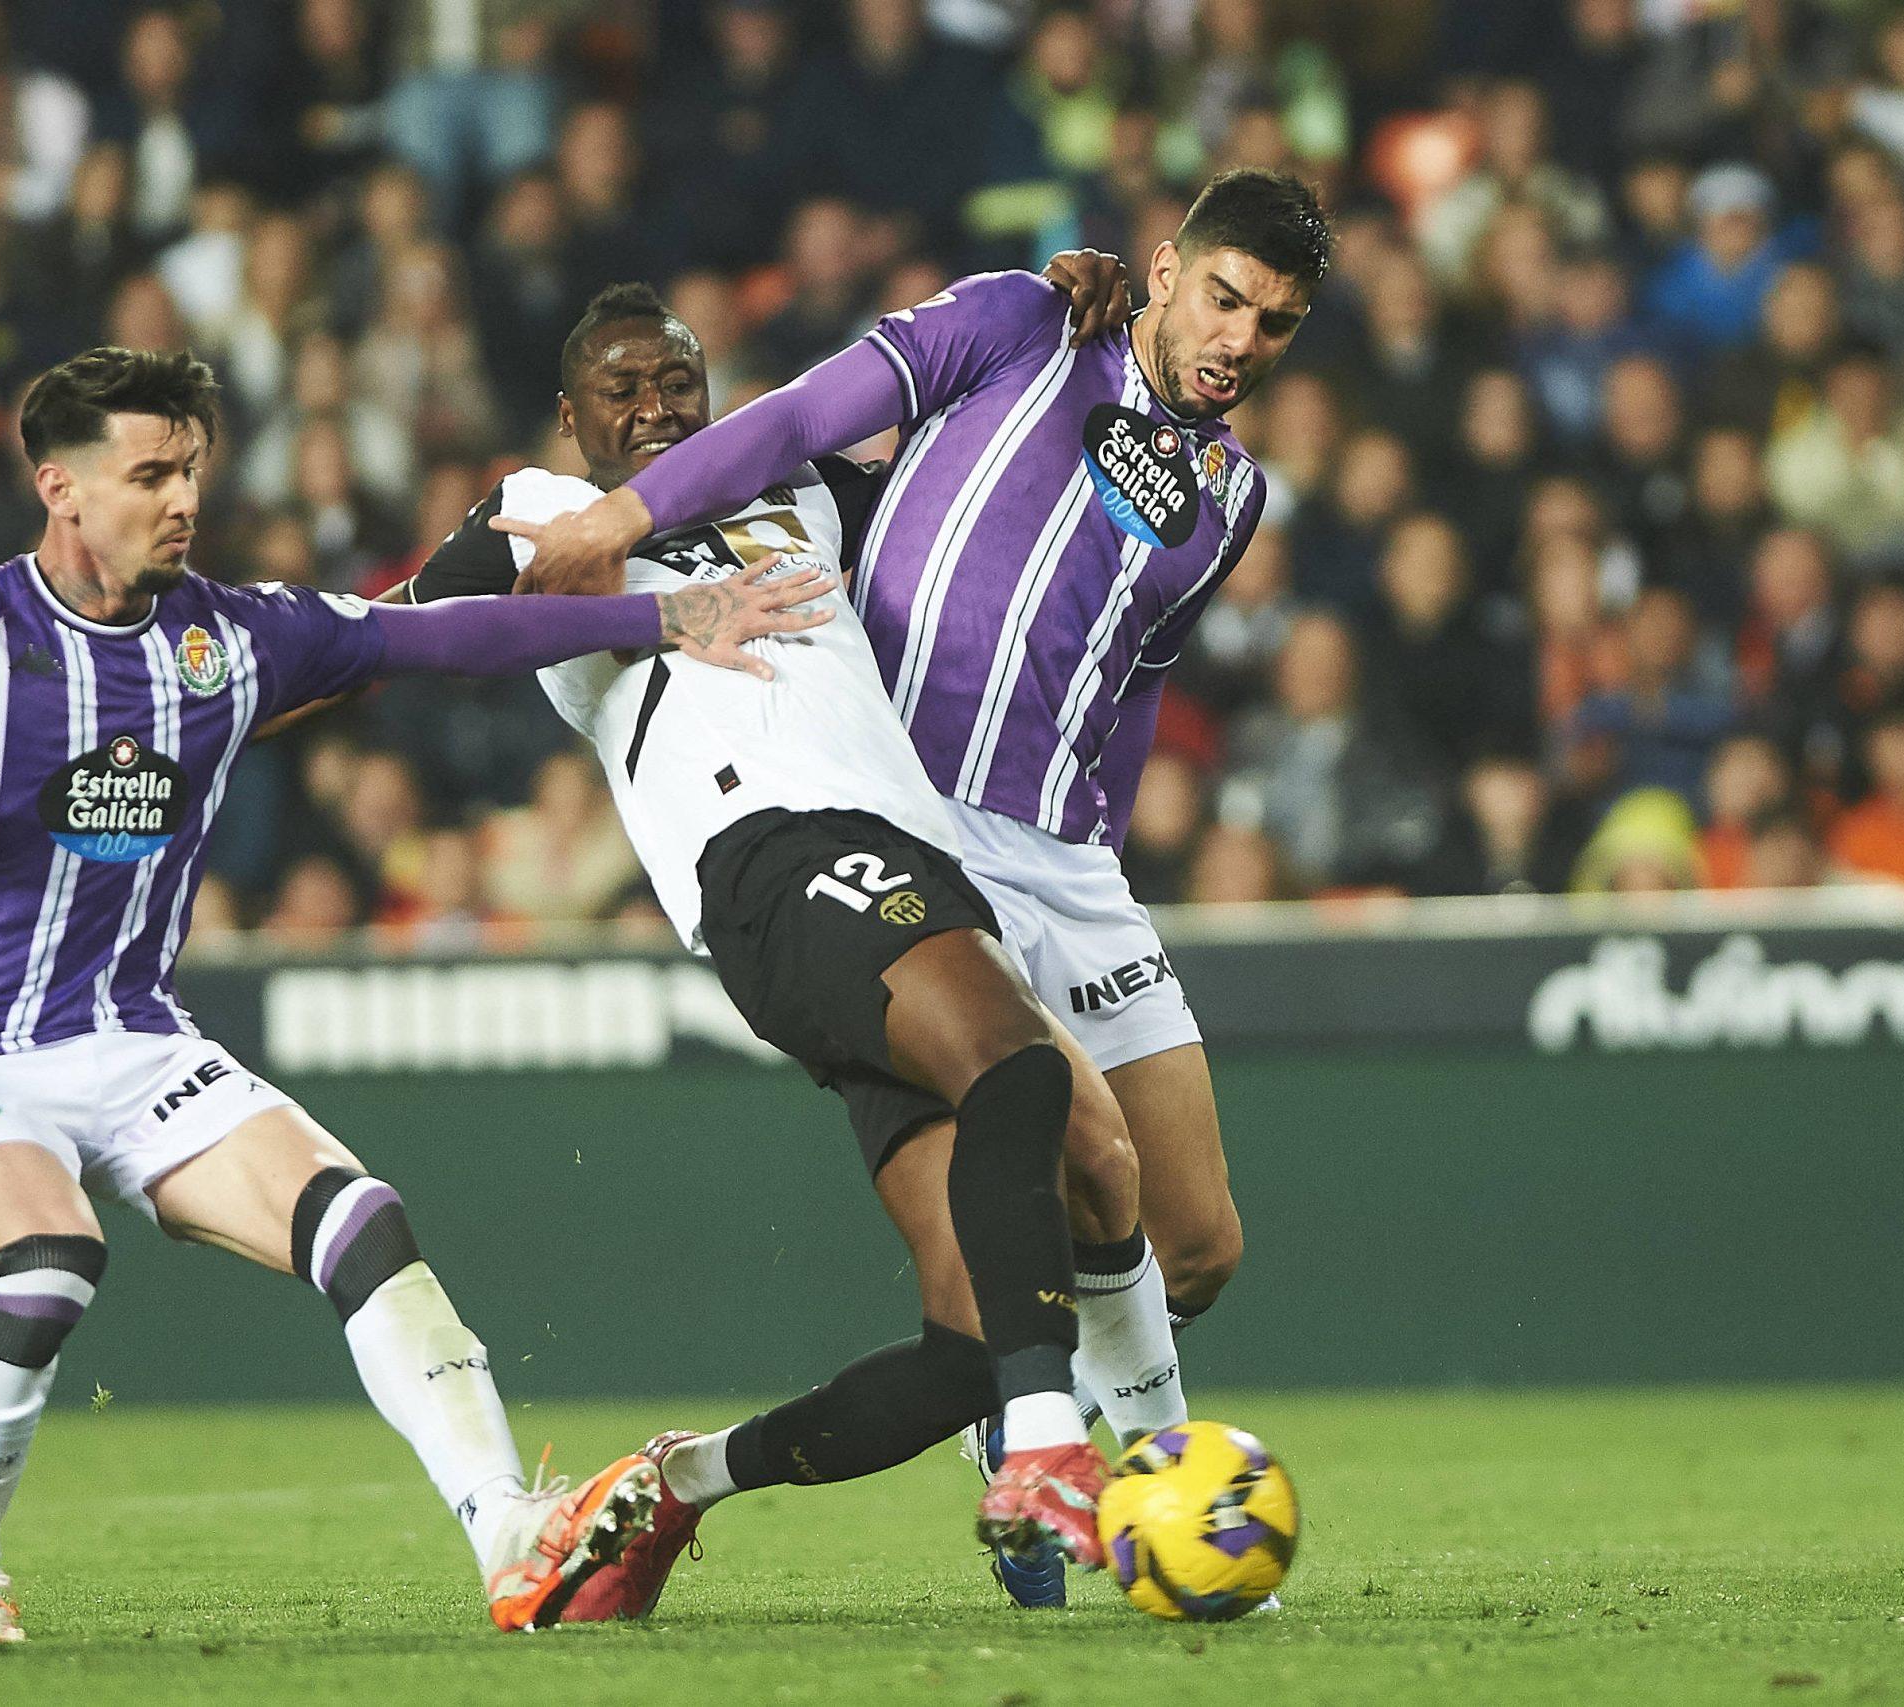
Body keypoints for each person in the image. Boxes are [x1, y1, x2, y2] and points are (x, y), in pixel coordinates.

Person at [0, 345, 829, 1639]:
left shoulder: (231, 637)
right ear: (60, 487)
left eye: (191, 469)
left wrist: (662, 617)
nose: (181, 498)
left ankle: (512, 1536)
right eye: (149, 474)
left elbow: (454, 633)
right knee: (53, 1260)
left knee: (364, 1224)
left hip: (132, 1038)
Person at [503, 169, 1329, 1607]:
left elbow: (1132, 681)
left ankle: (1033, 1404)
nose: (1239, 340)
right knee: (1079, 1150)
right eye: (1222, 298)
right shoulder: (1024, 322)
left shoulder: (1231, 499)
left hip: (1068, 858)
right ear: (1164, 268)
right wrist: (629, 508)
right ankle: (1139, 1481)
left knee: (1196, 1247)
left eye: (1276, 324)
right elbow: (803, 419)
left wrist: (1102, 846)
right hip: (911, 817)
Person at [396, 259, 1183, 1617]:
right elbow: (393, 642)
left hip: (902, 870)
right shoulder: (545, 515)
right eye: (620, 389)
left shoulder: (807, 490)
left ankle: (673, 1485)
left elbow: (997, 476)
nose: (654, 407)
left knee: (970, 1339)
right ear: (570, 420)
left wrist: (1087, 321)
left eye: (677, 381)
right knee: (1022, 1071)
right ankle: (1055, 1449)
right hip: (770, 850)